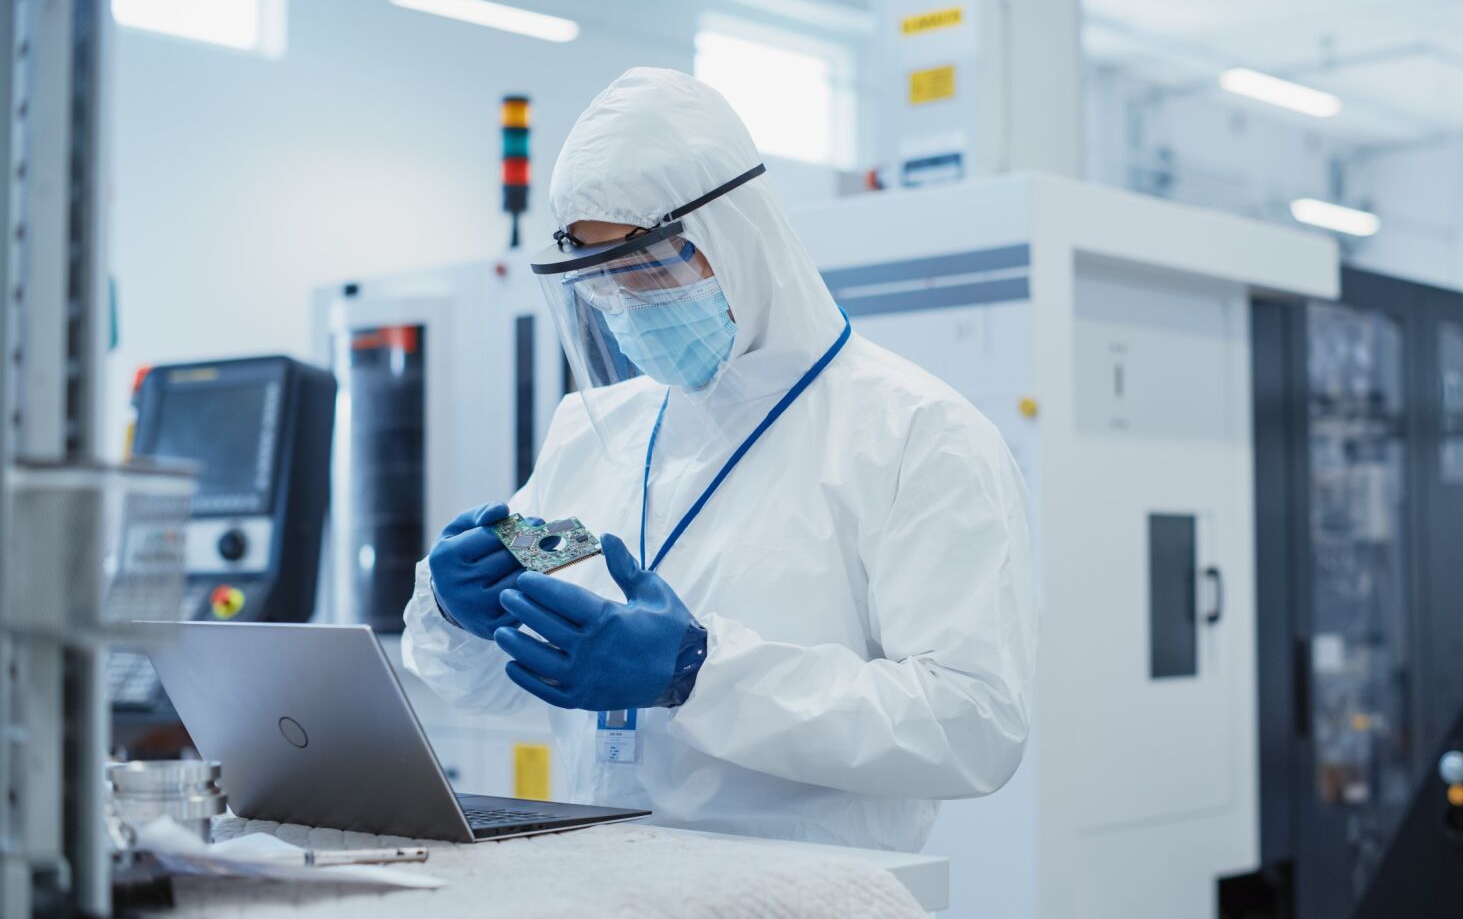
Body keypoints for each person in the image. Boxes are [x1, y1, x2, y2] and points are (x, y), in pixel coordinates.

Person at [402, 67, 1035, 853]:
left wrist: (700, 672)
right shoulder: (593, 431)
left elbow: (974, 725)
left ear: (735, 238)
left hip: (807, 899)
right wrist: (462, 620)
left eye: (646, 267)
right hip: (600, 885)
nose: (627, 302)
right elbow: (500, 690)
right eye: (602, 279)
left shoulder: (915, 433)